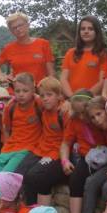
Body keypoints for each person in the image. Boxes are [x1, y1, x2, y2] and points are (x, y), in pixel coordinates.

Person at [15, 76, 67, 206]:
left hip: (55, 153)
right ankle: (23, 206)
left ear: (59, 96)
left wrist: (69, 102)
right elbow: (28, 95)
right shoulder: (42, 108)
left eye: (49, 95)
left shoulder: (63, 112)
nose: (45, 98)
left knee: (34, 175)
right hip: (40, 149)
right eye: (43, 95)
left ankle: (33, 208)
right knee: (19, 172)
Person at [59, 90, 106, 213]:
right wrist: (65, 161)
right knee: (75, 179)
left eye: (83, 113)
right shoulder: (74, 120)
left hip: (105, 158)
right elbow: (66, 143)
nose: (81, 117)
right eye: (77, 112)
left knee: (93, 183)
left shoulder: (98, 119)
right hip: (87, 158)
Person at [0, 73, 42, 174]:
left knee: (5, 175)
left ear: (33, 90)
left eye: (25, 91)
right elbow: (6, 128)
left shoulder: (38, 103)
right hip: (9, 148)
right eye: (17, 91)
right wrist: (6, 145)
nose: (21, 94)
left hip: (27, 148)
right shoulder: (10, 106)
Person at [0, 12, 55, 87]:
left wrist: (49, 88)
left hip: (40, 89)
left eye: (20, 25)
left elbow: (51, 74)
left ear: (28, 25)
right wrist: (1, 76)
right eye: (14, 28)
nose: (18, 29)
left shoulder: (43, 44)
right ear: (11, 31)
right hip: (18, 90)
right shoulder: (8, 48)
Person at [60, 16, 107, 98]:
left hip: (93, 101)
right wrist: (72, 98)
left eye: (90, 29)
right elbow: (63, 79)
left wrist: (83, 97)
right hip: (71, 100)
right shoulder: (70, 53)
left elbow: (102, 81)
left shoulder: (103, 54)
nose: (86, 31)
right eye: (83, 29)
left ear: (97, 32)